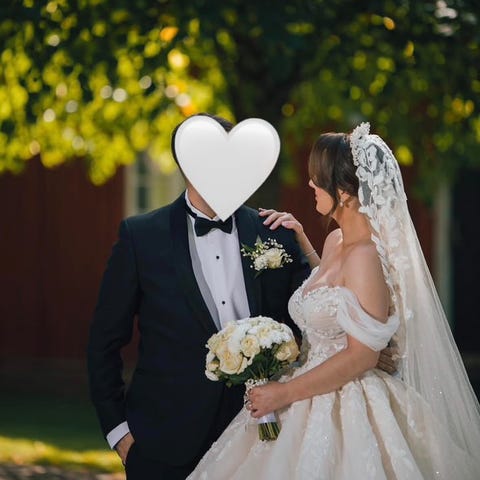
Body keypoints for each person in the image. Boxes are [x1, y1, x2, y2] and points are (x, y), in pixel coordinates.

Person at [188, 122, 480, 479]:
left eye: (317, 177)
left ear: (344, 192)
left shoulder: (366, 256)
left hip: (346, 397)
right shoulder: (336, 241)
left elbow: (362, 356)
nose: (310, 184)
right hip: (307, 384)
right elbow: (333, 291)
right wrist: (301, 239)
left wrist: (284, 393)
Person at [86, 113, 312, 479]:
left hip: (259, 436)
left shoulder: (274, 233)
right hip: (162, 442)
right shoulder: (141, 237)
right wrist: (120, 435)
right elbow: (103, 342)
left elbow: (315, 313)